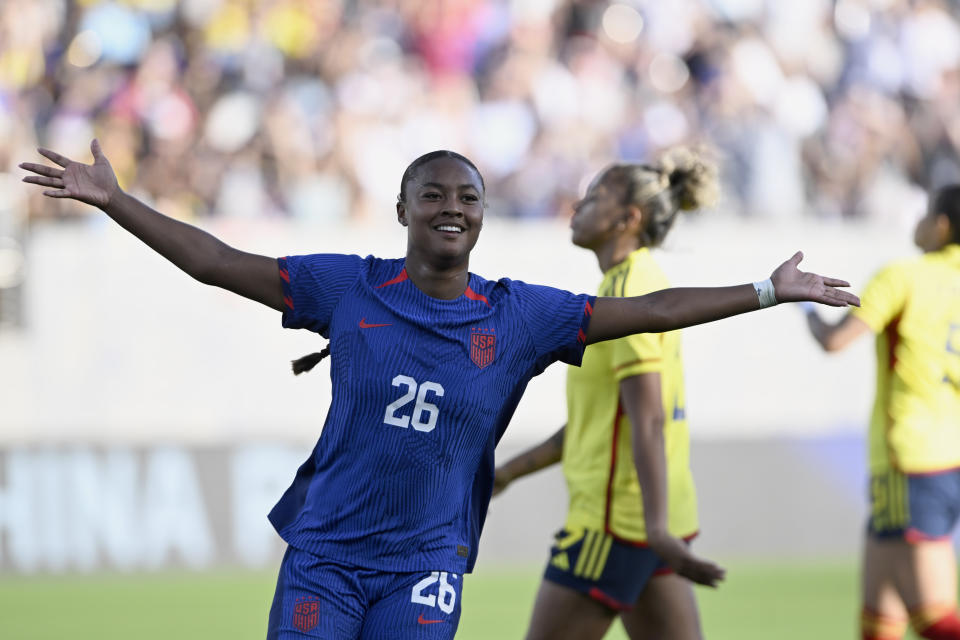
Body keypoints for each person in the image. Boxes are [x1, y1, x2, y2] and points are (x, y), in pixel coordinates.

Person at [21, 140, 858, 640]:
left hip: (427, 565)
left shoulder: (521, 314)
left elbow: (652, 310)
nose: (451, 207)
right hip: (326, 559)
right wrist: (118, 202)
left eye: (468, 196)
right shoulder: (345, 288)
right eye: (433, 195)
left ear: (483, 216)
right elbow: (215, 262)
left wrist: (766, 291)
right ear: (402, 210)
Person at [493, 149, 721, 640]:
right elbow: (597, 423)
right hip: (647, 520)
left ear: (628, 218)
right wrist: (507, 473)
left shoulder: (630, 291)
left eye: (595, 196)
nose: (579, 205)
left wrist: (654, 529)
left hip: (616, 522)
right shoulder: (628, 284)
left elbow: (649, 418)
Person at [802, 185, 960, 640]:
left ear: (942, 225)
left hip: (910, 459)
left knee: (933, 618)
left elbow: (836, 341)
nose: (919, 223)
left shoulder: (903, 276)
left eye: (926, 214)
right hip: (948, 459)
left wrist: (807, 314)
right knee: (880, 612)